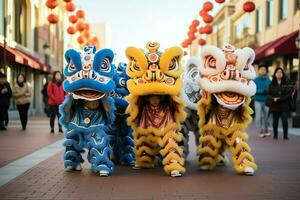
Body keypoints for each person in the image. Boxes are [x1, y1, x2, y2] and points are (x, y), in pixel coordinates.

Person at [267, 67, 291, 140]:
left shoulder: (286, 83)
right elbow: (268, 94)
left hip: (284, 106)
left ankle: (285, 135)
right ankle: (275, 135)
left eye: (280, 72)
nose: (279, 74)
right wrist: (273, 98)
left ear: (283, 74)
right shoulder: (271, 84)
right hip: (275, 106)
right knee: (275, 121)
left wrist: (280, 98)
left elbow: (289, 94)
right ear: (275, 74)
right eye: (277, 72)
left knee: (284, 120)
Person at [253, 65, 271, 138]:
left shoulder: (269, 80)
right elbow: (253, 90)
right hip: (257, 100)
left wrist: (268, 92)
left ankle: (266, 130)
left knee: (266, 116)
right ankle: (261, 130)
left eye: (264, 69)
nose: (263, 71)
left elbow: (271, 89)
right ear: (259, 71)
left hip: (267, 101)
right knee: (258, 116)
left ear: (266, 71)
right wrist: (262, 91)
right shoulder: (255, 80)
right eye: (261, 69)